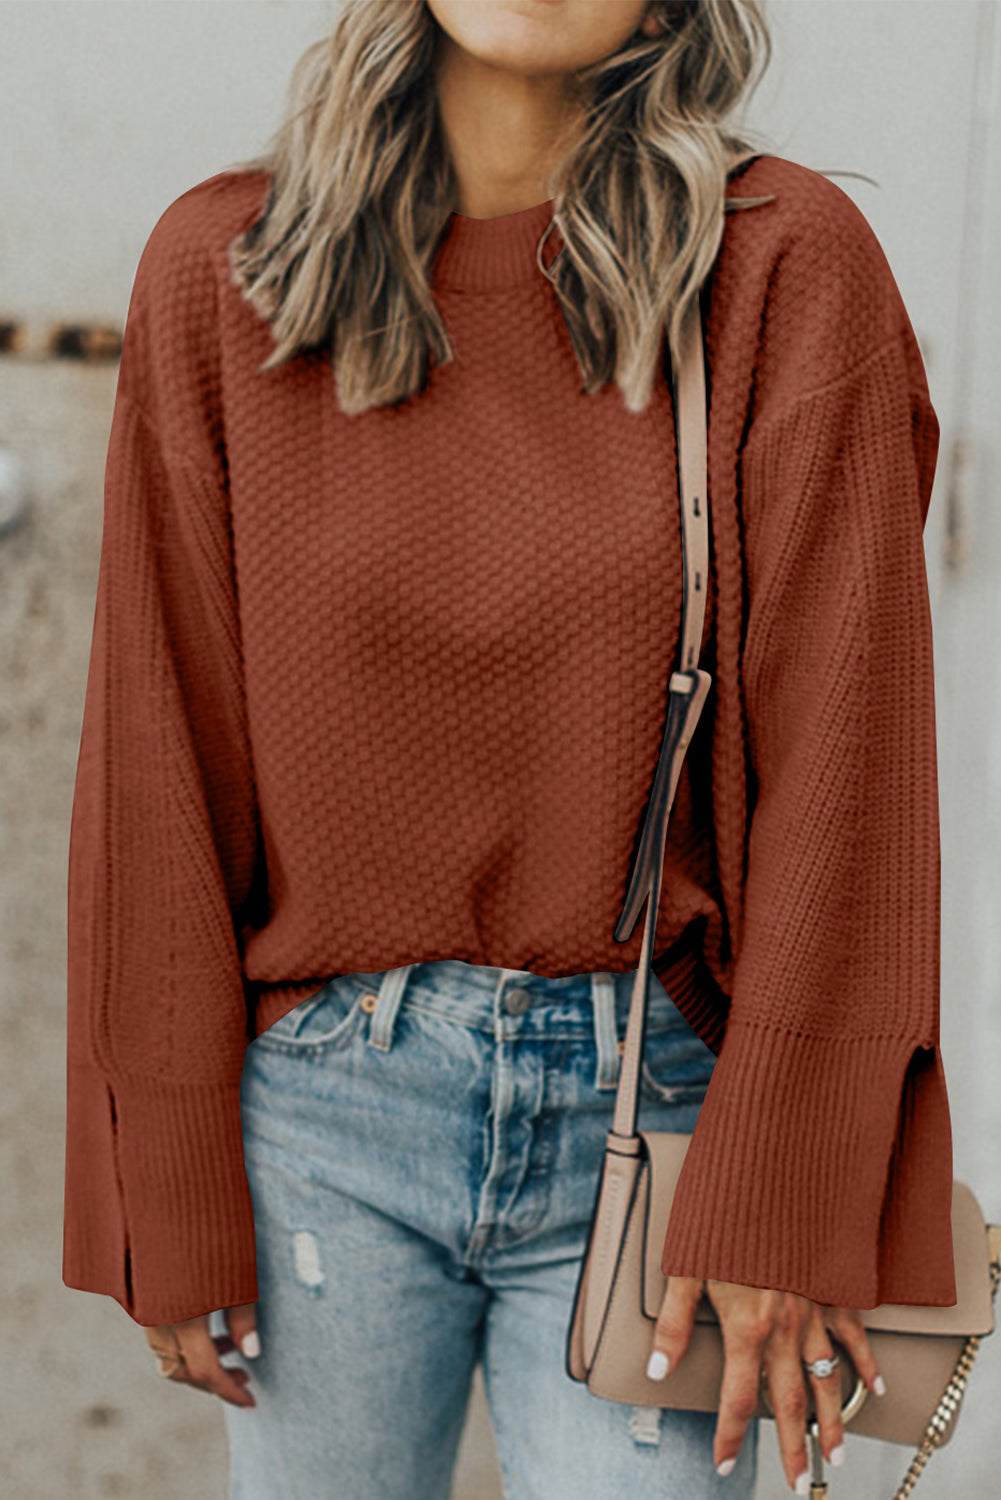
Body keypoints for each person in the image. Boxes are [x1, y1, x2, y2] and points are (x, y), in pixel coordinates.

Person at [62, 1, 957, 1497]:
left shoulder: (781, 266)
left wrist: (778, 1186)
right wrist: (164, 1170)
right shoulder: (223, 272)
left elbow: (848, 776)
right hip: (321, 1124)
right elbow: (158, 754)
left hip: (656, 1108)